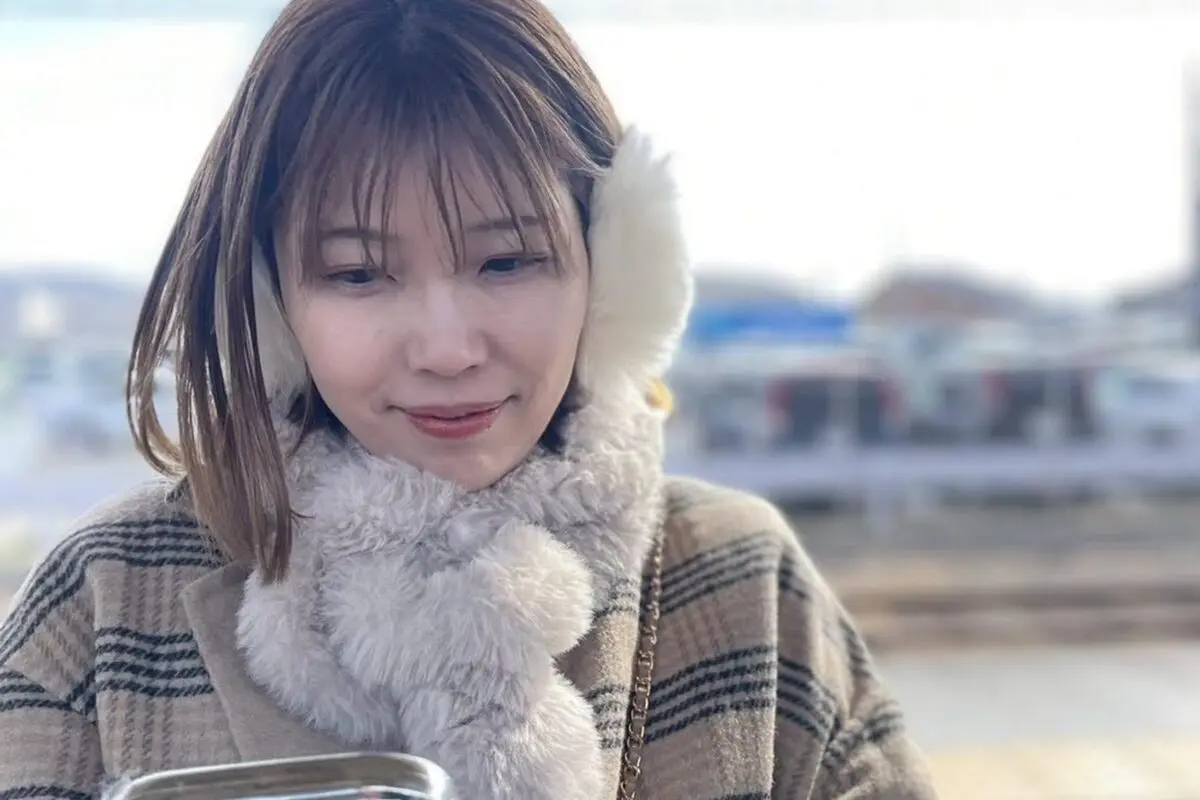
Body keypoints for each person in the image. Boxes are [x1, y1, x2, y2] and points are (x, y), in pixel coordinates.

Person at [0, 0, 938, 798]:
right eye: (359, 273)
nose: (449, 349)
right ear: (268, 303)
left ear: (614, 264)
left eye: (508, 260)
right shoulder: (102, 603)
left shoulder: (745, 585)